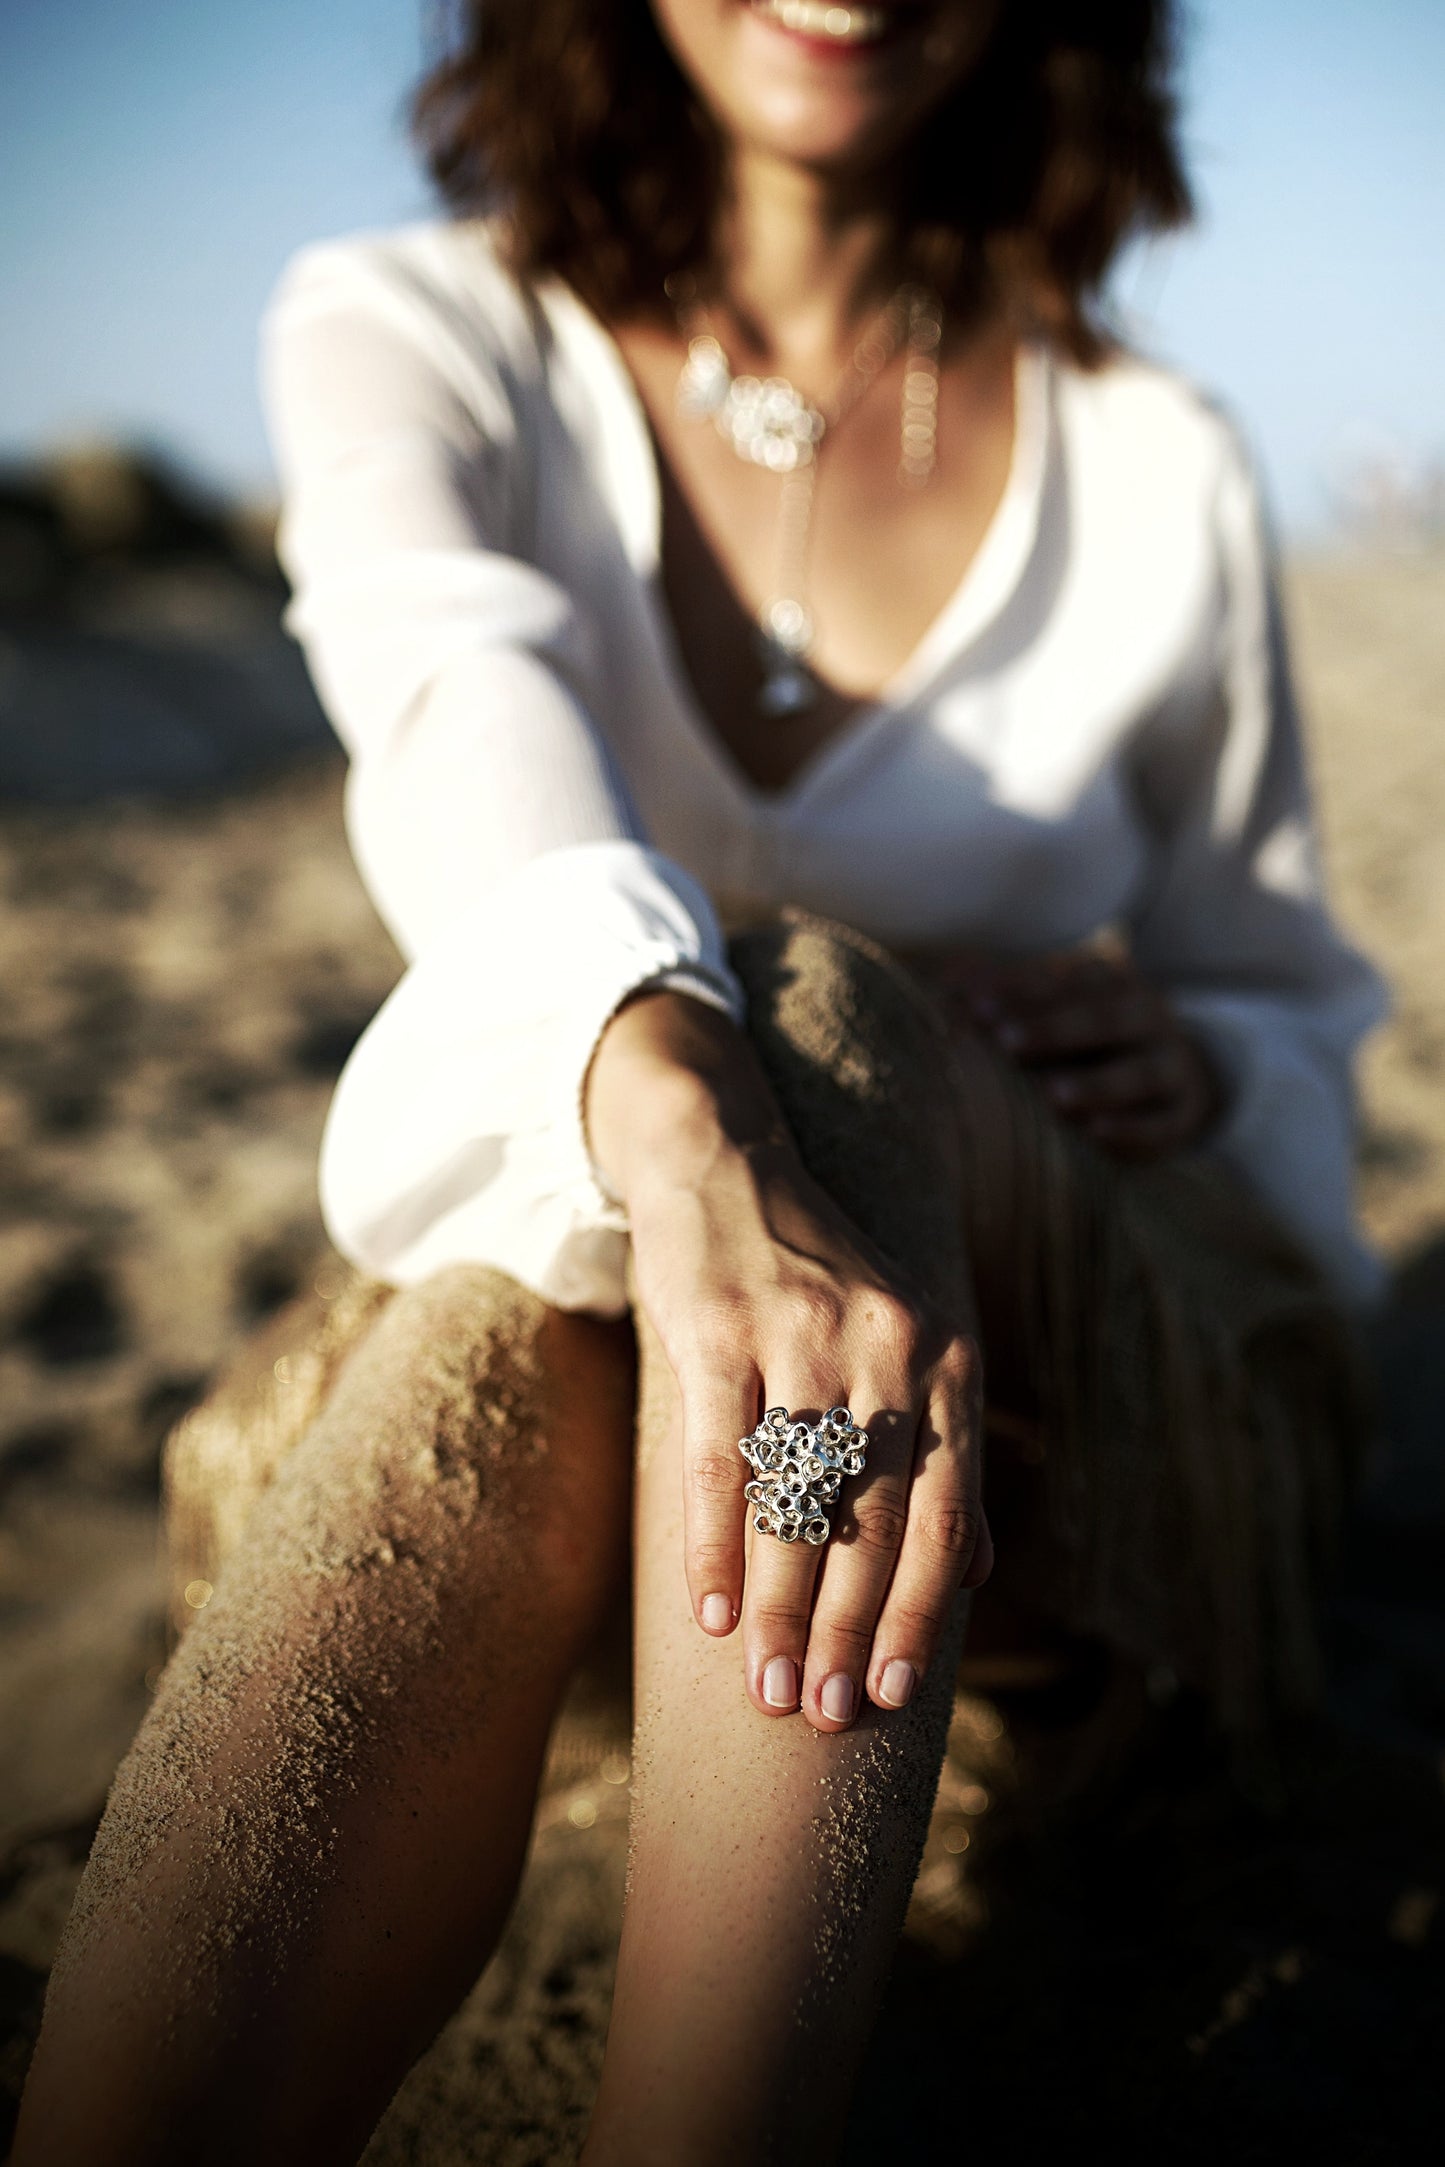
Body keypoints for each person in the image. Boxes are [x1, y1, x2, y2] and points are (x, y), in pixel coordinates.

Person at [15, 2, 1387, 2161]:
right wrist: (681, 1123)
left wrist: (1196, 1048)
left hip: (1061, 1404)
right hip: (645, 1349)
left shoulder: (1157, 457)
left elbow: (1282, 985)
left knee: (821, 1015)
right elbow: (450, 694)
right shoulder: (418, 329)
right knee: (531, 1284)